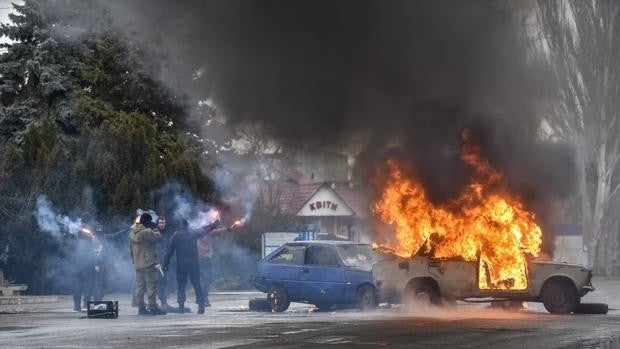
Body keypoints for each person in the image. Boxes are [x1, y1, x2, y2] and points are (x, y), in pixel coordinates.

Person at [164, 219, 220, 314]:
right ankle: (201, 305)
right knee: (197, 284)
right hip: (194, 263)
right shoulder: (193, 233)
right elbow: (204, 231)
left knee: (181, 286)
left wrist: (165, 264)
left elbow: (169, 252)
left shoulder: (176, 236)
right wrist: (214, 225)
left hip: (182, 264)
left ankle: (181, 307)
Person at [129, 212, 166, 315]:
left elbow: (130, 250)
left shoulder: (132, 232)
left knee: (140, 287)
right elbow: (158, 237)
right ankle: (153, 307)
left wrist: (134, 261)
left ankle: (141, 308)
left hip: (138, 263)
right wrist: (154, 228)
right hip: (148, 262)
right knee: (151, 285)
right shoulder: (146, 232)